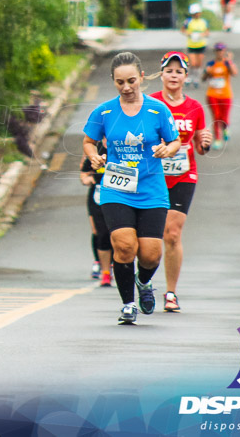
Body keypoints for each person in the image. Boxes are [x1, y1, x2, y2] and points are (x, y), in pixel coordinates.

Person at [83, 52, 181, 325]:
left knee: (150, 254)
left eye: (130, 81)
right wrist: (93, 155)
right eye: (119, 82)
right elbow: (89, 141)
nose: (126, 87)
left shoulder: (157, 110)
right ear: (113, 82)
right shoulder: (103, 111)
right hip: (116, 187)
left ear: (141, 78)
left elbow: (174, 141)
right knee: (124, 247)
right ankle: (128, 304)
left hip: (151, 189)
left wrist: (166, 149)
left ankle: (144, 282)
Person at [150, 51, 212, 312]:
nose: (173, 75)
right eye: (169, 70)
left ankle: (171, 293)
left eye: (178, 71)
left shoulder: (195, 108)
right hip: (153, 175)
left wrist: (205, 143)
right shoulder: (150, 103)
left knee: (172, 233)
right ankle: (144, 281)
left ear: (186, 76)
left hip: (184, 174)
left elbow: (200, 146)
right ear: (161, 74)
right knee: (150, 237)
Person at [80, 139, 112, 287]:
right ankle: (104, 270)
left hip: (119, 195)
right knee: (100, 232)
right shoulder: (96, 149)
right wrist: (88, 179)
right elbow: (84, 173)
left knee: (117, 233)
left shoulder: (124, 148)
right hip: (97, 196)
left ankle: (116, 264)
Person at [204, 42, 237, 149]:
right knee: (216, 117)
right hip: (212, 94)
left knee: (224, 117)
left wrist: (229, 61)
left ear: (224, 51)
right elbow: (203, 79)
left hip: (225, 94)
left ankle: (225, 129)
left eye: (221, 50)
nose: (220, 52)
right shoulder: (210, 64)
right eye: (218, 50)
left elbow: (234, 73)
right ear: (215, 52)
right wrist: (207, 72)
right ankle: (217, 139)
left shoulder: (227, 63)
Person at [182, 3, 209, 87]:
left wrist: (202, 35)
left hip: (201, 44)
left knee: (199, 64)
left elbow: (207, 32)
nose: (196, 14)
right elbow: (183, 30)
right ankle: (189, 77)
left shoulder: (203, 22)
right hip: (192, 45)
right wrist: (190, 34)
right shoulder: (188, 21)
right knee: (193, 63)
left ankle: (196, 78)